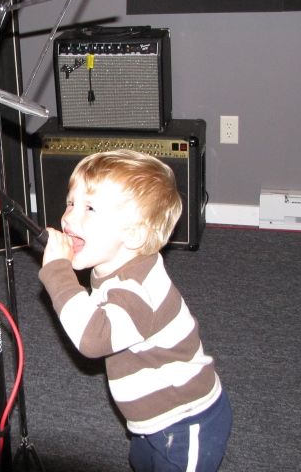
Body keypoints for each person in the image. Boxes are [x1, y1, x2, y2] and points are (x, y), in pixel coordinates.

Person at [39, 149, 231, 471]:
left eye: (89, 208)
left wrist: (59, 273)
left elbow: (93, 338)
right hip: (149, 420)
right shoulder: (115, 265)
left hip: (185, 422)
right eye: (71, 203)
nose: (68, 218)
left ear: (134, 234)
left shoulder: (139, 291)